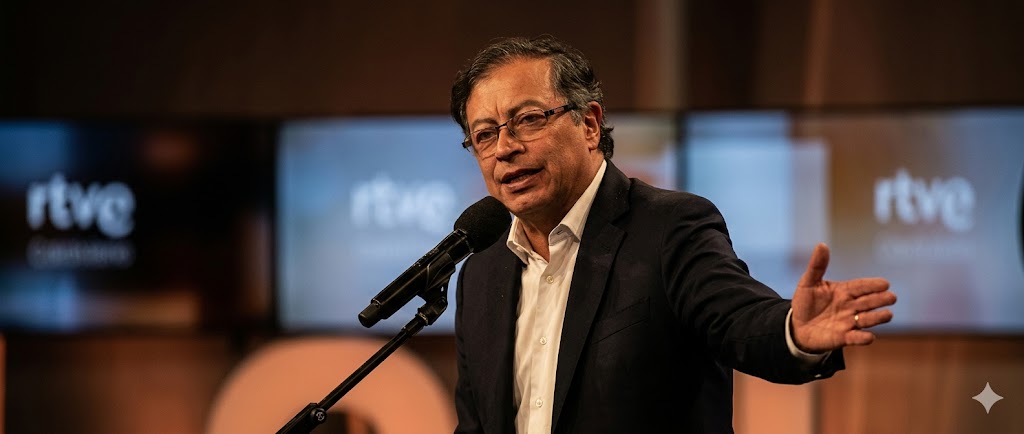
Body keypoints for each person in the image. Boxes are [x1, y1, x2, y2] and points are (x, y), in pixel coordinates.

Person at [449, 36, 896, 434]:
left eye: (528, 119)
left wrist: (792, 330)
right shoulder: (482, 272)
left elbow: (737, 320)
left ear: (589, 125)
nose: (504, 148)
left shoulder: (670, 228)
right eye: (484, 135)